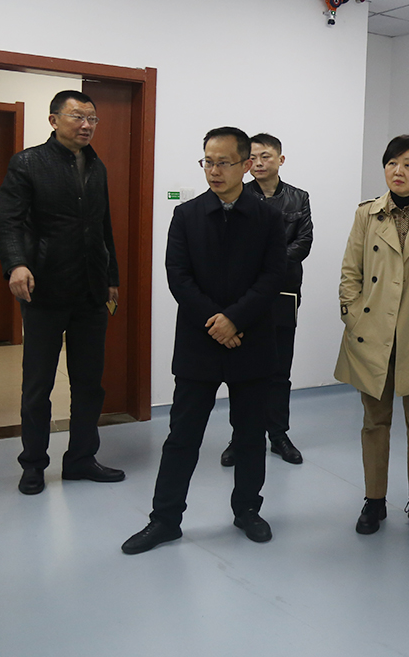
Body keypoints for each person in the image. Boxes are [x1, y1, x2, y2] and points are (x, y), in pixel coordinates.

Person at [122, 127, 286, 555]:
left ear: (246, 165)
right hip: (199, 341)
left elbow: (273, 277)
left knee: (250, 435)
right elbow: (178, 276)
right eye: (208, 162)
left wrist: (235, 319)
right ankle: (165, 520)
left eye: (223, 162)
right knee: (182, 436)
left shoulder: (269, 217)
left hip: (250, 340)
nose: (214, 171)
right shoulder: (187, 215)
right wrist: (216, 322)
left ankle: (247, 510)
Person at [0, 90, 124, 495]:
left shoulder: (97, 166)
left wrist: (111, 276)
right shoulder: (28, 163)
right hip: (45, 290)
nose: (86, 125)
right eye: (77, 117)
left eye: (92, 118)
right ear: (54, 120)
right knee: (38, 386)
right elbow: (8, 220)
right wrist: (16, 264)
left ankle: (81, 459)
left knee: (89, 383)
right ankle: (33, 464)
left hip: (90, 291)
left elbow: (103, 227)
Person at [335, 135, 409, 537]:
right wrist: (353, 316)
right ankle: (374, 501)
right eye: (392, 163)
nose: (398, 171)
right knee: (375, 422)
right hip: (374, 332)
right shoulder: (367, 214)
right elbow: (350, 270)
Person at [219, 133, 312, 467]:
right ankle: (240, 437)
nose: (258, 163)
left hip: (285, 292)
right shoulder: (238, 196)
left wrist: (270, 265)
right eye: (253, 158)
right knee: (242, 371)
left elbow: (304, 242)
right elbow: (232, 245)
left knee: (279, 369)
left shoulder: (299, 198)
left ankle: (279, 435)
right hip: (246, 296)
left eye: (266, 157)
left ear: (280, 160)